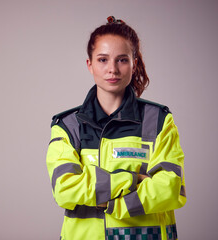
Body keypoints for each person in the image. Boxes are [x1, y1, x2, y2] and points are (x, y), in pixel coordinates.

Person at [46, 16, 186, 240]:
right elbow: (65, 190)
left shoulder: (159, 120)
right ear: (89, 64)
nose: (112, 69)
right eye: (102, 60)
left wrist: (111, 205)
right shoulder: (68, 126)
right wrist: (131, 179)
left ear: (134, 64)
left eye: (122, 60)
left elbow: (170, 189)